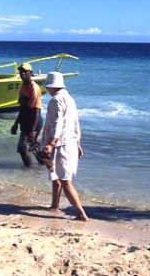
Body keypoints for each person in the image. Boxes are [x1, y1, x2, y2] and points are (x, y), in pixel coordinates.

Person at [42, 71, 88, 221]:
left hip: (60, 145)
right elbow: (75, 123)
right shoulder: (70, 98)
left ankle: (81, 214)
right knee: (56, 177)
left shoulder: (56, 100)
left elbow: (57, 123)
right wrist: (78, 143)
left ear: (50, 87)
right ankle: (54, 205)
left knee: (65, 181)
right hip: (70, 142)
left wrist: (50, 143)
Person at [11, 63, 42, 167]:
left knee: (22, 147)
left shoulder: (34, 88)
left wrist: (32, 130)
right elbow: (23, 108)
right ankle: (40, 169)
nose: (22, 73)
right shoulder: (24, 86)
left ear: (30, 73)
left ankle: (28, 171)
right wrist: (16, 124)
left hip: (34, 120)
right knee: (34, 148)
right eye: (21, 72)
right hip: (25, 120)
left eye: (25, 71)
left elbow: (36, 111)